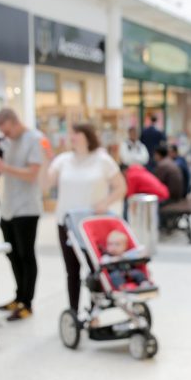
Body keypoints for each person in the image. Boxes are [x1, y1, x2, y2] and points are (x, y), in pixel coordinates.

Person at [47, 123, 126, 314]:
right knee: (72, 271)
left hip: (92, 225)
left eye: (76, 133)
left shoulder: (103, 159)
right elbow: (47, 184)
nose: (72, 137)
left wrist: (105, 203)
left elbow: (121, 187)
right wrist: (44, 159)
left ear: (87, 136)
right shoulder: (63, 160)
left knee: (95, 269)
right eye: (70, 133)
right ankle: (73, 311)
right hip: (66, 223)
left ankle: (94, 312)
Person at [0, 108, 44, 321]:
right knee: (13, 255)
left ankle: (27, 302)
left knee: (26, 255)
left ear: (14, 121)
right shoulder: (7, 142)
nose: (5, 134)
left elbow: (33, 174)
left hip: (27, 209)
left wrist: (4, 167)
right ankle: (18, 296)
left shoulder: (34, 139)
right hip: (8, 208)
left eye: (7, 130)